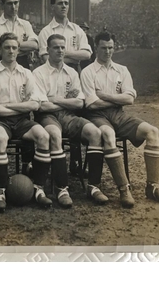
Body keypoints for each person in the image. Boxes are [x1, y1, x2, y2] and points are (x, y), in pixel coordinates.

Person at [80, 31, 159, 208]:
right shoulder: (87, 72)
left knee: (153, 132)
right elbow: (91, 104)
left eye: (111, 48)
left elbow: (130, 99)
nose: (107, 52)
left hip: (118, 114)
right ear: (95, 48)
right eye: (103, 48)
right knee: (107, 134)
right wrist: (117, 97)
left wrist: (105, 95)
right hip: (97, 116)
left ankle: (152, 187)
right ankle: (124, 189)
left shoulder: (122, 70)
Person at [32, 34, 108, 206]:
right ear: (48, 50)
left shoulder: (72, 72)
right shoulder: (38, 73)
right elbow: (41, 106)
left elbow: (79, 102)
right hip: (47, 117)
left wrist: (54, 99)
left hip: (69, 116)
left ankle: (93, 186)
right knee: (55, 134)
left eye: (62, 47)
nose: (60, 50)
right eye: (55, 47)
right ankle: (62, 188)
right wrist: (65, 101)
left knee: (95, 133)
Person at [0, 32, 51, 211]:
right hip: (0, 121)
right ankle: (0, 191)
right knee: (0, 138)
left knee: (43, 136)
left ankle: (39, 189)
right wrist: (20, 105)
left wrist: (8, 105)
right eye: (7, 47)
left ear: (19, 50)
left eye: (14, 47)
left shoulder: (26, 73)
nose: (11, 51)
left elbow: (36, 104)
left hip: (22, 121)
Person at [38, 0, 92, 71]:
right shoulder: (46, 31)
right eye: (60, 3)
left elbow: (87, 54)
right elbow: (46, 58)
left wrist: (65, 53)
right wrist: (75, 58)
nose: (64, 6)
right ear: (53, 7)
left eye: (66, 3)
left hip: (74, 70)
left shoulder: (77, 29)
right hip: (53, 71)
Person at [0, 0, 38, 69]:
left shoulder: (25, 24)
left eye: (16, 3)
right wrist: (24, 48)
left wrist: (8, 46)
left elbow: (34, 45)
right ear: (2, 5)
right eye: (9, 3)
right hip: (2, 66)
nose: (13, 7)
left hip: (23, 65)